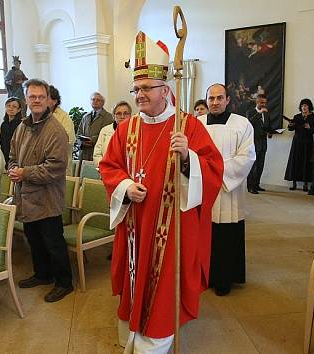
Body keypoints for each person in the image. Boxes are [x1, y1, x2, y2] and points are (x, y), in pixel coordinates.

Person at [99, 31, 223, 353]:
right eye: (136, 89)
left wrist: (188, 159)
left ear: (166, 90)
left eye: (146, 89)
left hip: (170, 228)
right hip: (135, 223)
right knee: (133, 275)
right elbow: (109, 166)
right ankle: (133, 329)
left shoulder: (189, 127)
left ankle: (156, 335)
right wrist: (126, 186)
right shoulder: (125, 129)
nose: (139, 95)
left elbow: (213, 170)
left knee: (163, 283)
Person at [8, 78, 73, 303]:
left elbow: (55, 168)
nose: (36, 100)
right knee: (34, 240)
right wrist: (13, 169)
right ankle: (43, 274)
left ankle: (64, 283)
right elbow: (13, 156)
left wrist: (24, 173)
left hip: (47, 198)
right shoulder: (22, 127)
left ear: (49, 100)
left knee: (53, 243)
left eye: (40, 97)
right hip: (26, 198)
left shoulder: (55, 130)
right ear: (25, 99)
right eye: (32, 96)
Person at [199, 84, 255, 296]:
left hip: (230, 189)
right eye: (211, 98)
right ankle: (206, 275)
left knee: (227, 235)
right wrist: (206, 172)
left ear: (228, 100)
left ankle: (226, 278)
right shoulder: (197, 124)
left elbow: (247, 157)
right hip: (204, 188)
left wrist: (217, 171)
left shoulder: (242, 124)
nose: (215, 102)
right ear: (206, 100)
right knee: (207, 234)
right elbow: (191, 156)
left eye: (219, 98)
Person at [284, 98, 314, 191]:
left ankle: (306, 184)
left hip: (307, 142)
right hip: (297, 142)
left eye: (306, 106)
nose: (304, 107)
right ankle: (294, 183)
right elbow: (290, 129)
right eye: (302, 106)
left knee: (306, 162)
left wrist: (309, 127)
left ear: (309, 107)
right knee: (295, 161)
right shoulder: (297, 116)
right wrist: (290, 125)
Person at [246, 93, 273, 194]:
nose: (264, 105)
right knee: (253, 166)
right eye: (262, 102)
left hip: (263, 142)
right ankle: (250, 186)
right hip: (253, 142)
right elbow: (249, 123)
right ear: (257, 102)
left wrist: (271, 132)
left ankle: (257, 184)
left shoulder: (267, 114)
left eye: (265, 103)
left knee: (261, 165)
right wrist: (259, 113)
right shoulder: (250, 112)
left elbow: (268, 126)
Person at [93, 101, 132, 167]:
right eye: (118, 113)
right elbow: (97, 154)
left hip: (127, 172)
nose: (122, 116)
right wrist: (104, 167)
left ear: (130, 115)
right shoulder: (105, 130)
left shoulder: (135, 131)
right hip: (107, 171)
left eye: (126, 113)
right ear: (113, 116)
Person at [76, 92, 113, 161]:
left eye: (98, 100)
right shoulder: (85, 117)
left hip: (98, 153)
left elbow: (108, 134)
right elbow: (79, 133)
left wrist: (92, 140)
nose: (95, 101)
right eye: (93, 99)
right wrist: (81, 142)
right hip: (84, 154)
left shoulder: (109, 117)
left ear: (103, 103)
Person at [49, 85, 76, 174]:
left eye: (45, 98)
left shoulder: (64, 117)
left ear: (54, 101)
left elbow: (69, 140)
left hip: (59, 165)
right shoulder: (38, 116)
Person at [0, 97, 23, 168]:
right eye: (8, 106)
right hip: (6, 155)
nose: (11, 108)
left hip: (17, 157)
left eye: (14, 106)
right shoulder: (4, 124)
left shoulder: (21, 124)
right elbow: (1, 141)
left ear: (19, 110)